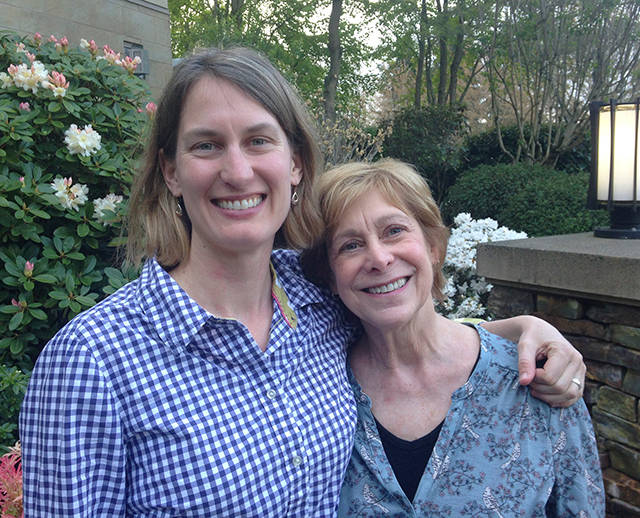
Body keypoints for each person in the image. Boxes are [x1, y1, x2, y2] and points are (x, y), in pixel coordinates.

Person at [20, 47, 585, 517]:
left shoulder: (317, 300)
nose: (237, 171)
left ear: (295, 164)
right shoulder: (91, 363)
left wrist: (526, 330)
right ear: (171, 171)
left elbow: (407, 324)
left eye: (259, 140)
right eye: (206, 144)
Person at [302, 159, 604, 517]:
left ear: (433, 247)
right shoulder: (316, 392)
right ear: (331, 279)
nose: (379, 258)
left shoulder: (536, 379)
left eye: (394, 231)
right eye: (350, 246)